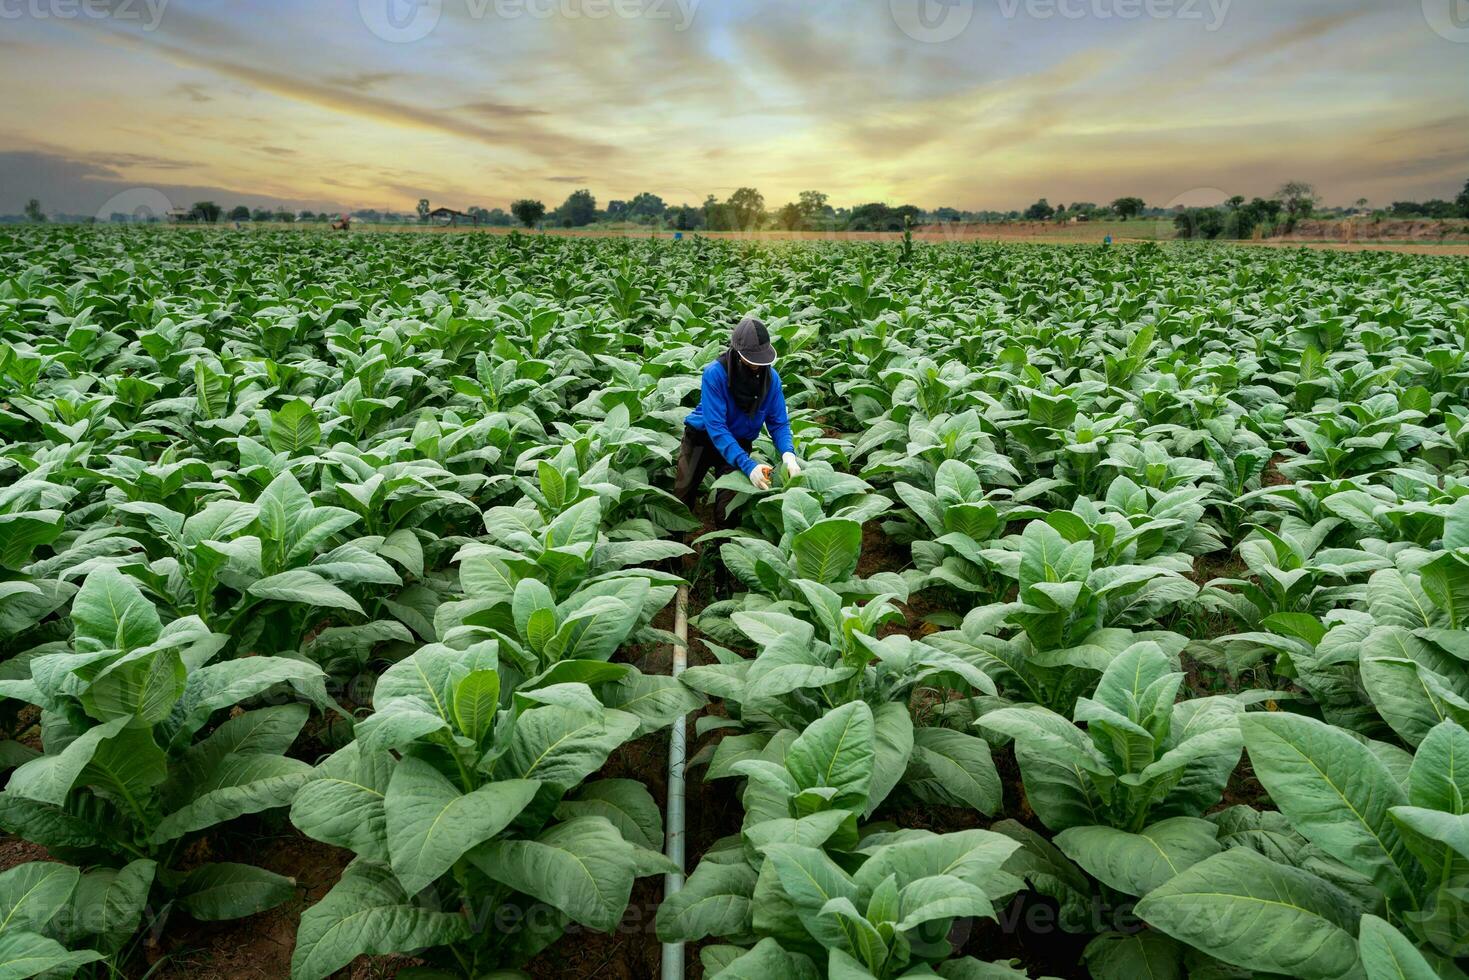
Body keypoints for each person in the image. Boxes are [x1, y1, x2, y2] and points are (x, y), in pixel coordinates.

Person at [675, 317, 801, 526]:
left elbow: (778, 423)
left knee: (728, 510)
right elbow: (716, 427)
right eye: (753, 358)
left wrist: (788, 455)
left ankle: (721, 554)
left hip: (739, 442)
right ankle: (673, 555)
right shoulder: (715, 374)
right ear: (738, 353)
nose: (758, 365)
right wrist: (748, 465)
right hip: (702, 439)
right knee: (682, 498)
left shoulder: (772, 379)